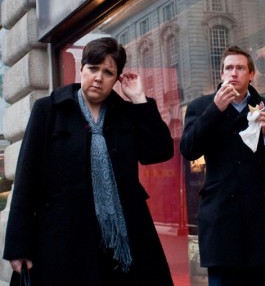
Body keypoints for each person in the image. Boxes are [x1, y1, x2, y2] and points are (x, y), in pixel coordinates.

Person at [3, 37, 174, 286]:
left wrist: (139, 101)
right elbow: (27, 177)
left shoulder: (126, 113)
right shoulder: (49, 110)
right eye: (93, 68)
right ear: (81, 69)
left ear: (116, 79)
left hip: (122, 241)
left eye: (108, 72)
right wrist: (18, 245)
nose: (98, 77)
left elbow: (158, 152)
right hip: (64, 239)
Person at [180, 45, 265, 286]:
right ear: (221, 75)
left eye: (240, 68)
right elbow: (189, 149)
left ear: (251, 74)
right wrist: (215, 110)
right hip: (221, 217)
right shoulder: (201, 107)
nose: (234, 73)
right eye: (228, 68)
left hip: (258, 217)